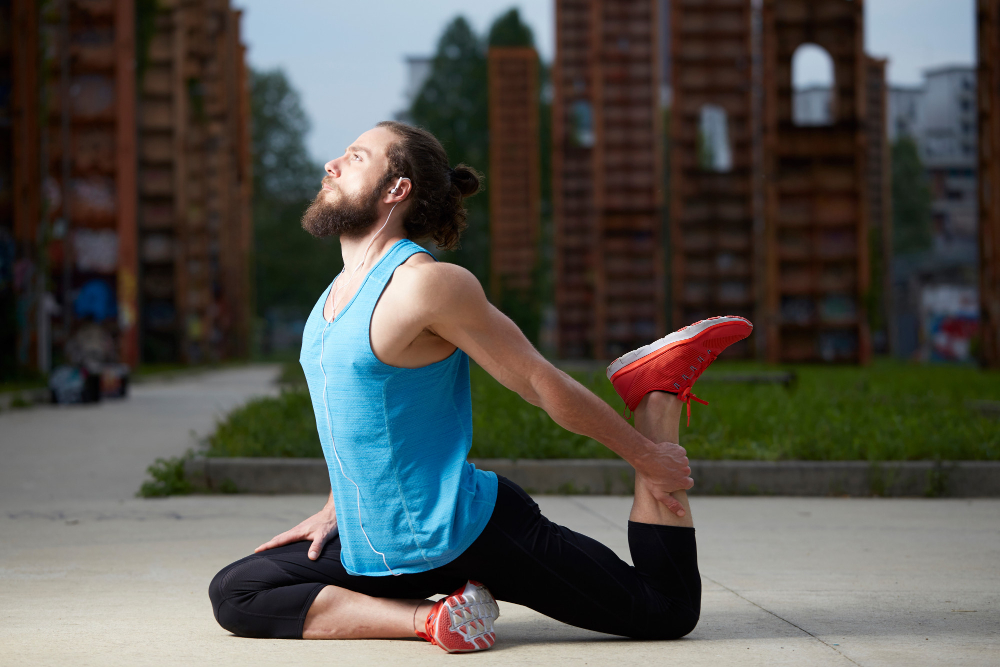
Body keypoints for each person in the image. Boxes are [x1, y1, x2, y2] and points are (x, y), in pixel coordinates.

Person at [208, 121, 752, 653]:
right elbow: (358, 420)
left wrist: (647, 457)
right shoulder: (330, 300)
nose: (332, 164)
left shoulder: (427, 285)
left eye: (356, 157)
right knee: (238, 591)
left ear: (397, 189)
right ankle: (436, 618)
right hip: (383, 542)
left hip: (470, 533)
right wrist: (335, 506)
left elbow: (538, 382)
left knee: (667, 610)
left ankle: (655, 395)